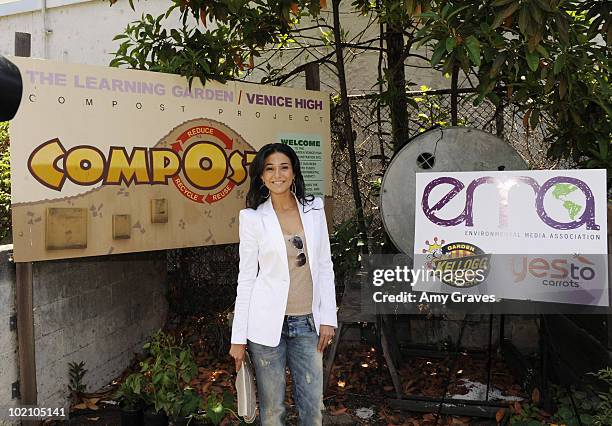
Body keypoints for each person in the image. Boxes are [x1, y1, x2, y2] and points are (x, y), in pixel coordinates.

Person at [229, 143, 337, 426]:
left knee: (313, 408)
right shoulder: (252, 219)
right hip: (265, 327)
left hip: (308, 323)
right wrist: (238, 338)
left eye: (284, 167)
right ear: (261, 177)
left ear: (293, 172)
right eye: (270, 168)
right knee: (273, 411)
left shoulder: (314, 209)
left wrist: (328, 319)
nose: (277, 174)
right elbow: (246, 279)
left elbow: (325, 266)